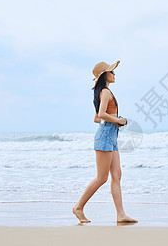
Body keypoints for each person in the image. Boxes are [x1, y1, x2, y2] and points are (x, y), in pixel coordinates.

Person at [72, 60, 138, 224]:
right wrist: (119, 120)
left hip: (111, 135)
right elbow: (101, 115)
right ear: (104, 75)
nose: (114, 74)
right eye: (112, 72)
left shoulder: (102, 92)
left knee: (117, 175)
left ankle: (121, 215)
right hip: (106, 136)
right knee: (102, 178)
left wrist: (115, 121)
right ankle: (78, 207)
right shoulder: (106, 92)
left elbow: (96, 118)